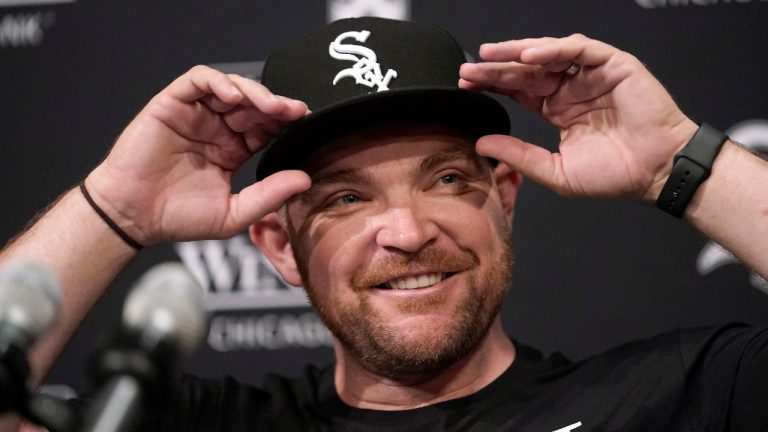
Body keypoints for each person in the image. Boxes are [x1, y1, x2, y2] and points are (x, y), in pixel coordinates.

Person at [3, 16, 767, 431]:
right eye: (345, 199)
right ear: (278, 246)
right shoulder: (178, 422)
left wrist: (678, 162)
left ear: (503, 198)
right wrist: (116, 208)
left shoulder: (680, 398)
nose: (405, 232)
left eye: (444, 179)